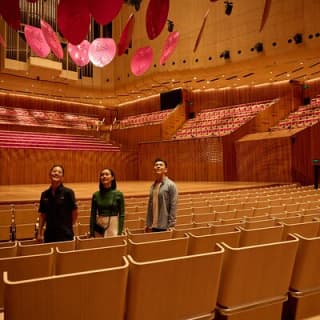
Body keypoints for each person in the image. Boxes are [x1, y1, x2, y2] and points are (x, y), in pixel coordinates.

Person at [38, 164, 78, 243]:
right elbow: (43, 215)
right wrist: (39, 233)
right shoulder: (44, 194)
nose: (56, 173)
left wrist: (67, 227)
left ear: (62, 177)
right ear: (50, 174)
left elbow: (75, 213)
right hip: (49, 235)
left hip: (65, 235)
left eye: (59, 172)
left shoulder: (68, 192)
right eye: (54, 171)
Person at [90, 168, 125, 237]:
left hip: (113, 226)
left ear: (112, 177)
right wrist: (92, 233)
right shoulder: (96, 195)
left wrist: (120, 232)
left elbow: (122, 215)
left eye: (107, 174)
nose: (104, 176)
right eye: (102, 175)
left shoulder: (119, 194)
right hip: (99, 226)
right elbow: (93, 215)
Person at [146, 158, 178, 232]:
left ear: (166, 169)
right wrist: (148, 224)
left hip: (164, 226)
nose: (158, 166)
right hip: (153, 225)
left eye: (161, 165)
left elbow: (173, 206)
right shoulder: (153, 186)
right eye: (156, 165)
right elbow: (151, 206)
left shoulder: (171, 185)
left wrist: (171, 225)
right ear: (154, 169)